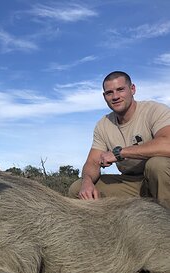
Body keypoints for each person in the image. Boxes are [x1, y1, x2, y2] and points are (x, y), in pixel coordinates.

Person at [68, 71, 170, 209]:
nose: (115, 96)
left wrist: (119, 153)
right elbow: (92, 162)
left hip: (162, 178)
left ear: (132, 89)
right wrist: (87, 182)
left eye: (120, 89)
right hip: (134, 183)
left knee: (157, 165)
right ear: (104, 97)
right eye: (109, 92)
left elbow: (167, 144)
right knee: (77, 189)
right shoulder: (103, 124)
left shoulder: (155, 110)